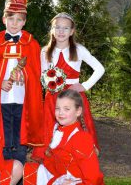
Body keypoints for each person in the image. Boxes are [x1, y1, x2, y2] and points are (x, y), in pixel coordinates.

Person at [32, 12, 105, 161]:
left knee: (75, 128)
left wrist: (84, 86)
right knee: (51, 128)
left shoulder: (79, 50)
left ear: (72, 31)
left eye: (65, 28)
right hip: (53, 97)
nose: (61, 31)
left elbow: (100, 69)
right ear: (52, 30)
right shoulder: (45, 51)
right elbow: (42, 75)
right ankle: (51, 162)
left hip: (73, 97)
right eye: (57, 27)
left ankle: (76, 160)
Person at [0, 0, 44, 165]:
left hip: (21, 99)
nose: (14, 23)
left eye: (19, 20)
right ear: (4, 19)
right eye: (11, 19)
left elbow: (36, 73)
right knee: (4, 135)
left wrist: (25, 77)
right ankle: (3, 172)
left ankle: (18, 172)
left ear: (24, 22)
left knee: (19, 137)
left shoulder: (31, 44)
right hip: (1, 99)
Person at [24, 89, 104, 185]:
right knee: (30, 169)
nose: (60, 113)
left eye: (66, 109)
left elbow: (93, 177)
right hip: (61, 179)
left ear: (78, 111)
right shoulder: (58, 130)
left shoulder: (81, 138)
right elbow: (53, 165)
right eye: (58, 108)